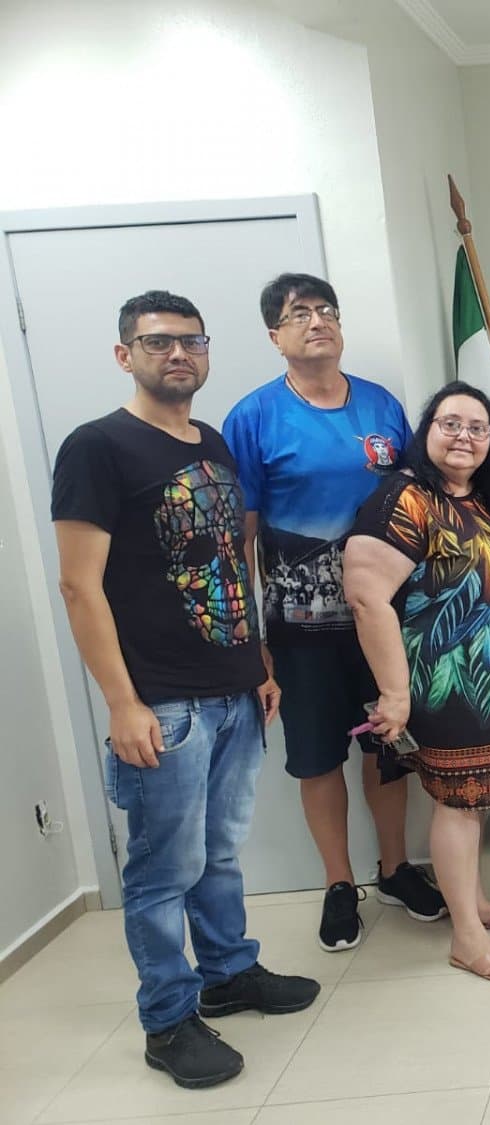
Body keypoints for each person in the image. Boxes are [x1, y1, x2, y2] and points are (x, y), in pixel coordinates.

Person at [52, 291, 318, 1089]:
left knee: (219, 852)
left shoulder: (211, 442)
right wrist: (121, 702)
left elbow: (233, 561)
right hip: (161, 700)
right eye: (157, 341)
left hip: (234, 689)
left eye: (191, 341)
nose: (177, 353)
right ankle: (168, 1020)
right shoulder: (96, 447)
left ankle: (228, 971)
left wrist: (257, 661)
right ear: (124, 354)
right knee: (163, 868)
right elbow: (78, 586)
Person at [222, 273, 444, 954]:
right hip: (300, 631)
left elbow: (417, 504)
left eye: (326, 310)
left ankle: (394, 868)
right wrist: (251, 641)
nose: (317, 321)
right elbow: (240, 539)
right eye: (300, 314)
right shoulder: (254, 417)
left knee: (388, 749)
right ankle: (339, 883)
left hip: (386, 625)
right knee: (318, 758)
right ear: (275, 335)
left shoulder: (381, 406)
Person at [344, 383, 490, 983]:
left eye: (478, 428)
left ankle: (474, 904)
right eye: (450, 423)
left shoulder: (478, 498)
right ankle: (467, 939)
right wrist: (395, 693)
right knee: (458, 805)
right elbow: (365, 594)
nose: (464, 437)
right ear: (426, 430)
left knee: (471, 804)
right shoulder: (407, 497)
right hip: (443, 683)